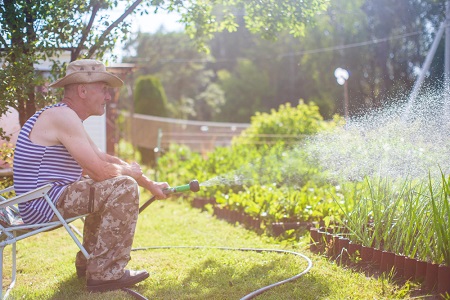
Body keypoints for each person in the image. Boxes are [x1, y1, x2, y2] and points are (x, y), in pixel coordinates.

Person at [13, 59, 169, 292]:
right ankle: (105, 273)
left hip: (46, 199)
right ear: (82, 90)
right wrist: (131, 175)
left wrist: (149, 183)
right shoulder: (62, 117)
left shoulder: (66, 117)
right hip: (41, 204)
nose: (108, 97)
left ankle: (89, 264)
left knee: (107, 183)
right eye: (104, 90)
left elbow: (105, 159)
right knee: (122, 186)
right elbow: (98, 170)